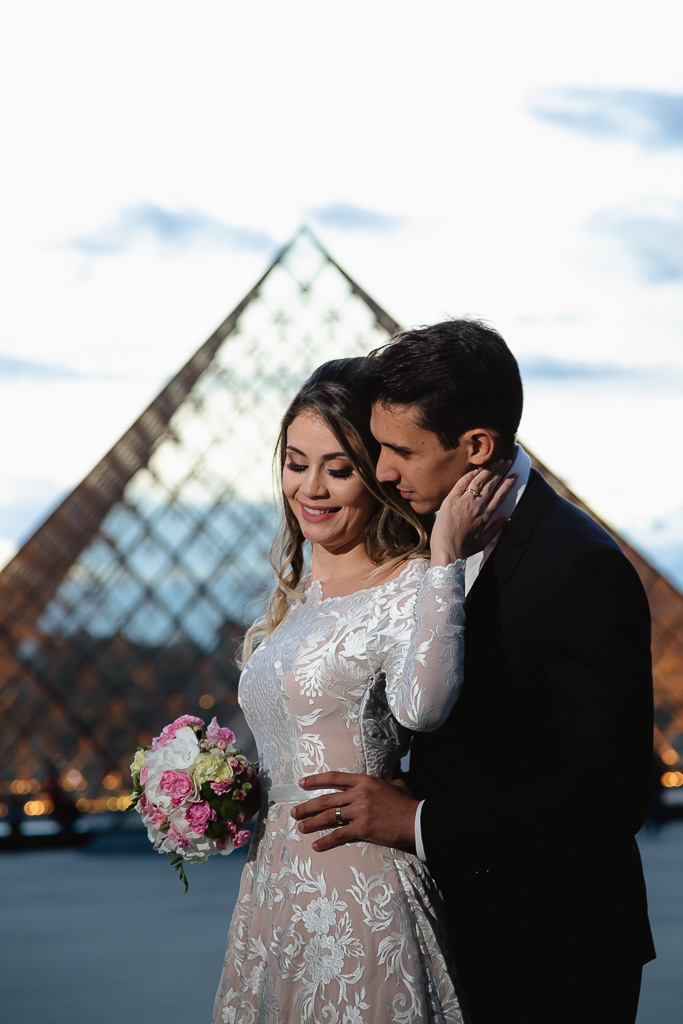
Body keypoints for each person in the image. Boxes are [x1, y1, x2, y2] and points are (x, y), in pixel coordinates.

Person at [293, 320, 655, 1024]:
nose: (384, 472)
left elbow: (610, 797)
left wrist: (420, 820)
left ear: (477, 447)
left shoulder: (577, 565)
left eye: (399, 451)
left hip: (556, 947)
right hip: (452, 929)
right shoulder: (425, 539)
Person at [212, 357, 513, 1024]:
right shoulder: (296, 595)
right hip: (274, 887)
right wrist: (218, 794)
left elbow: (422, 706)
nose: (309, 487)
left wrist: (442, 563)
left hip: (360, 883)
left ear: (373, 474)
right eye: (295, 462)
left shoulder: (411, 583)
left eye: (338, 469)